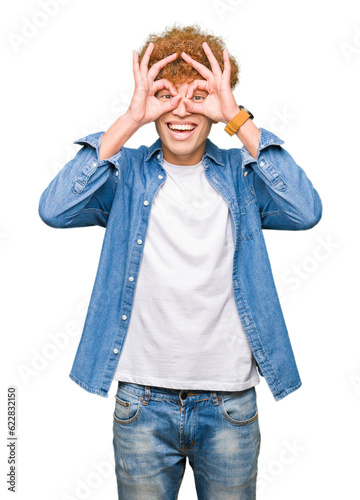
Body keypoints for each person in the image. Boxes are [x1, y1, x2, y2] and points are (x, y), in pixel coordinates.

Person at [38, 24, 322, 500]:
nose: (183, 109)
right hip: (141, 404)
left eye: (199, 95)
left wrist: (236, 115)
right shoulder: (126, 175)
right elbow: (54, 208)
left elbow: (305, 210)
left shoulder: (240, 176)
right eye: (168, 95)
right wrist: (129, 119)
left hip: (229, 404)